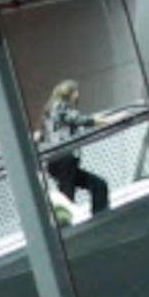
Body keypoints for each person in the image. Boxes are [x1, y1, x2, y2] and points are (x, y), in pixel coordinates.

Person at [40, 79, 111, 220]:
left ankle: (100, 217)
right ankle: (64, 228)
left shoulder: (53, 110)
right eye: (75, 92)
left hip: (63, 161)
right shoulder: (59, 106)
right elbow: (76, 119)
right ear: (69, 93)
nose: (78, 95)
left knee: (98, 185)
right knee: (67, 195)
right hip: (63, 158)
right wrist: (100, 121)